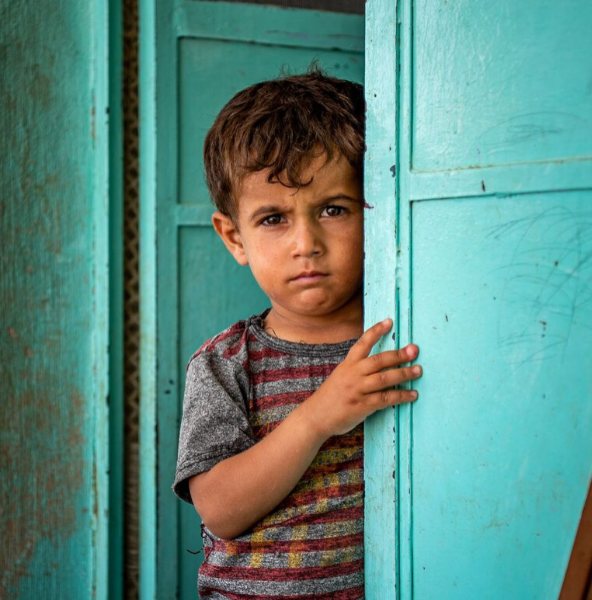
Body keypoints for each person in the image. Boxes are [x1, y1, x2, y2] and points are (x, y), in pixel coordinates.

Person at [172, 68, 424, 599]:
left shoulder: (403, 343)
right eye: (272, 219)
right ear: (233, 237)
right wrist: (316, 417)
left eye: (333, 209)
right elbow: (219, 510)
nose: (305, 242)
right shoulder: (226, 363)